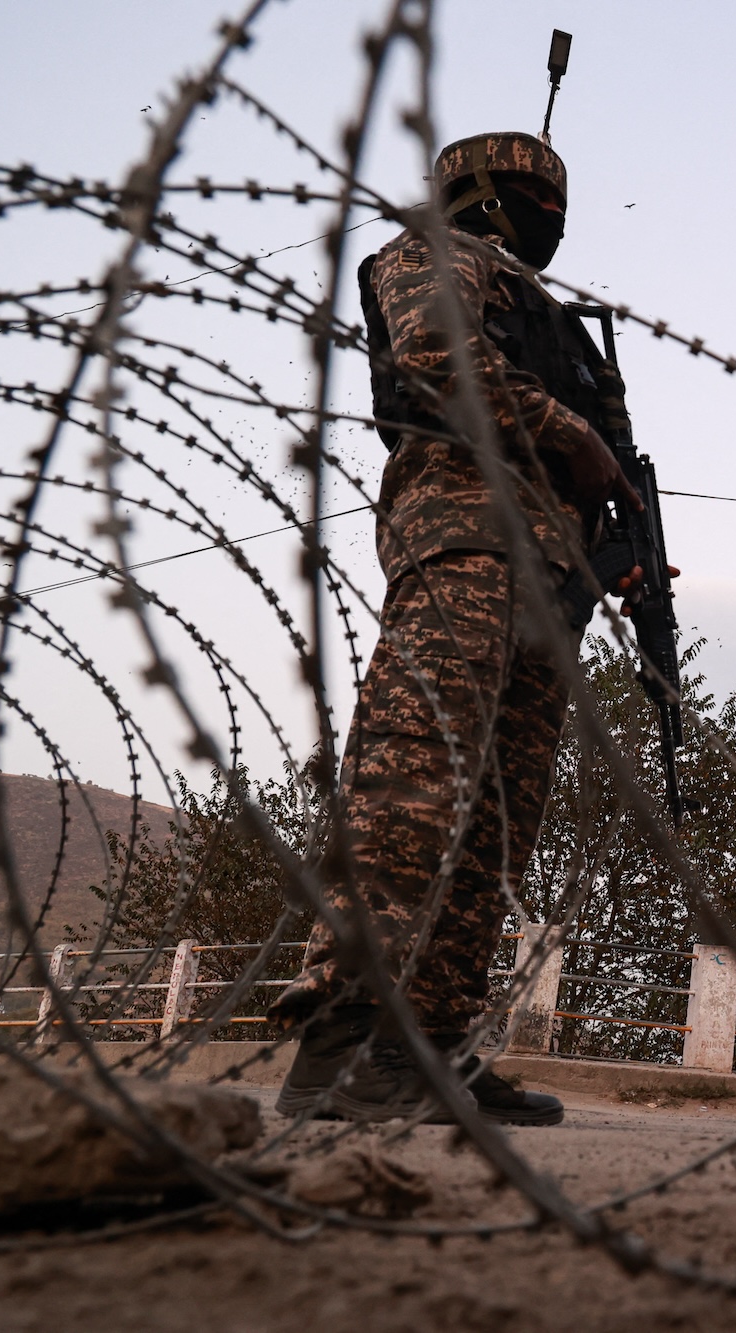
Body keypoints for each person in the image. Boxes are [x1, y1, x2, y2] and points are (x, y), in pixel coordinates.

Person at [269, 130, 652, 1124]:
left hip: (551, 582)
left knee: (495, 826)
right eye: (528, 193)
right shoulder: (435, 255)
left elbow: (602, 464)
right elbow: (437, 358)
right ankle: (343, 1035)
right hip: (465, 536)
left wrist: (623, 543)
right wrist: (575, 440)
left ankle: (426, 1048)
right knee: (416, 775)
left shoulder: (557, 326)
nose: (543, 214)